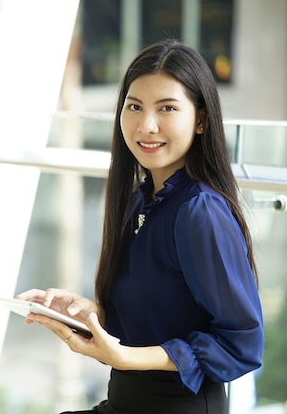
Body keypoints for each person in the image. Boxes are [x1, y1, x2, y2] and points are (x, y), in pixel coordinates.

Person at [16, 39, 264, 414]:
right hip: (123, 403)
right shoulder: (139, 199)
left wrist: (129, 358)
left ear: (200, 119)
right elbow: (157, 319)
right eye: (135, 107)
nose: (146, 125)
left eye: (167, 108)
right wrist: (91, 314)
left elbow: (241, 346)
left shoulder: (201, 211)